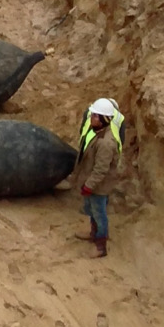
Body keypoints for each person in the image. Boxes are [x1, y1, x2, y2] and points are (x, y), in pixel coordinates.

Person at [68, 97, 126, 257]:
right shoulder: (97, 133)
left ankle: (101, 245)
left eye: (95, 116)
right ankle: (93, 233)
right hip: (93, 182)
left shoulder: (106, 143)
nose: (91, 117)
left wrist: (89, 186)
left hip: (99, 186)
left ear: (104, 119)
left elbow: (101, 170)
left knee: (99, 213)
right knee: (93, 210)